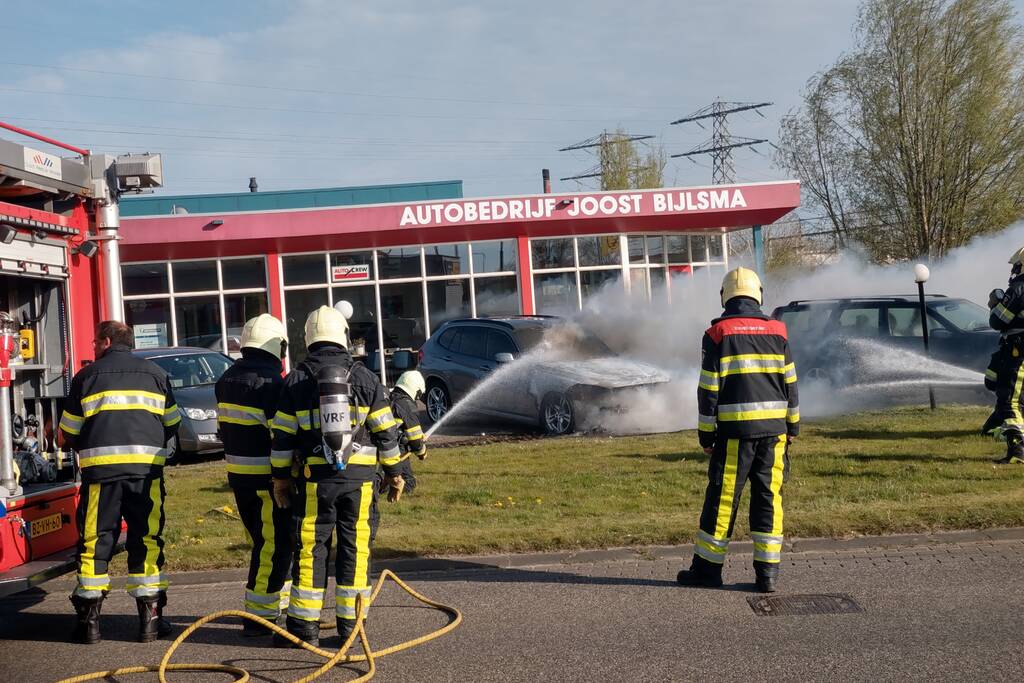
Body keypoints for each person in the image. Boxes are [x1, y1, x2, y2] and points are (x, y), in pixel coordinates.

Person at [270, 306, 404, 647]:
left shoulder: (296, 380)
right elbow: (386, 432)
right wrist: (394, 473)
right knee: (355, 549)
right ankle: (351, 629)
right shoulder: (366, 378)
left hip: (315, 482)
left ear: (308, 339)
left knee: (310, 549)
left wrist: (280, 479)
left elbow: (282, 437)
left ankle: (304, 628)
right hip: (360, 482)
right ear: (343, 336)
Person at [677, 267, 799, 594]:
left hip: (735, 435)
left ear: (725, 296)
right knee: (768, 498)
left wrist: (706, 435)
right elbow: (790, 383)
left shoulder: (718, 334)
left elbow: (708, 389)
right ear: (758, 294)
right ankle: (767, 575)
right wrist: (793, 426)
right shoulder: (778, 331)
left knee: (723, 500)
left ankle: (707, 570)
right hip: (775, 434)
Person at [58, 321, 181, 644]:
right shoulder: (156, 374)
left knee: (94, 543)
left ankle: (89, 625)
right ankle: (150, 623)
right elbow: (172, 422)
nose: (93, 347)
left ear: (107, 341)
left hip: (101, 476)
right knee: (147, 540)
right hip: (146, 475)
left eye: (95, 342)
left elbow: (66, 433)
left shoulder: (86, 377)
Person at [214, 314, 290, 635]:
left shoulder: (226, 380)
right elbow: (281, 435)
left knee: (268, 543)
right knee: (272, 546)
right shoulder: (271, 384)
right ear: (278, 347)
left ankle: (278, 605)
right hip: (267, 481)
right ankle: (259, 618)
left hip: (239, 477)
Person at [988, 246, 1024, 464]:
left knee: (1010, 401)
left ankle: (1017, 451)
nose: (1014, 270)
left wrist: (996, 304)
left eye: (1016, 266)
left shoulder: (1019, 288)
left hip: (1019, 352)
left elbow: (998, 320)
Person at [385, 370, 428, 495]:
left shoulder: (389, 398)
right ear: (416, 390)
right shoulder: (407, 405)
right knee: (409, 483)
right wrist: (422, 452)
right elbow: (415, 441)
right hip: (395, 450)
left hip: (383, 446)